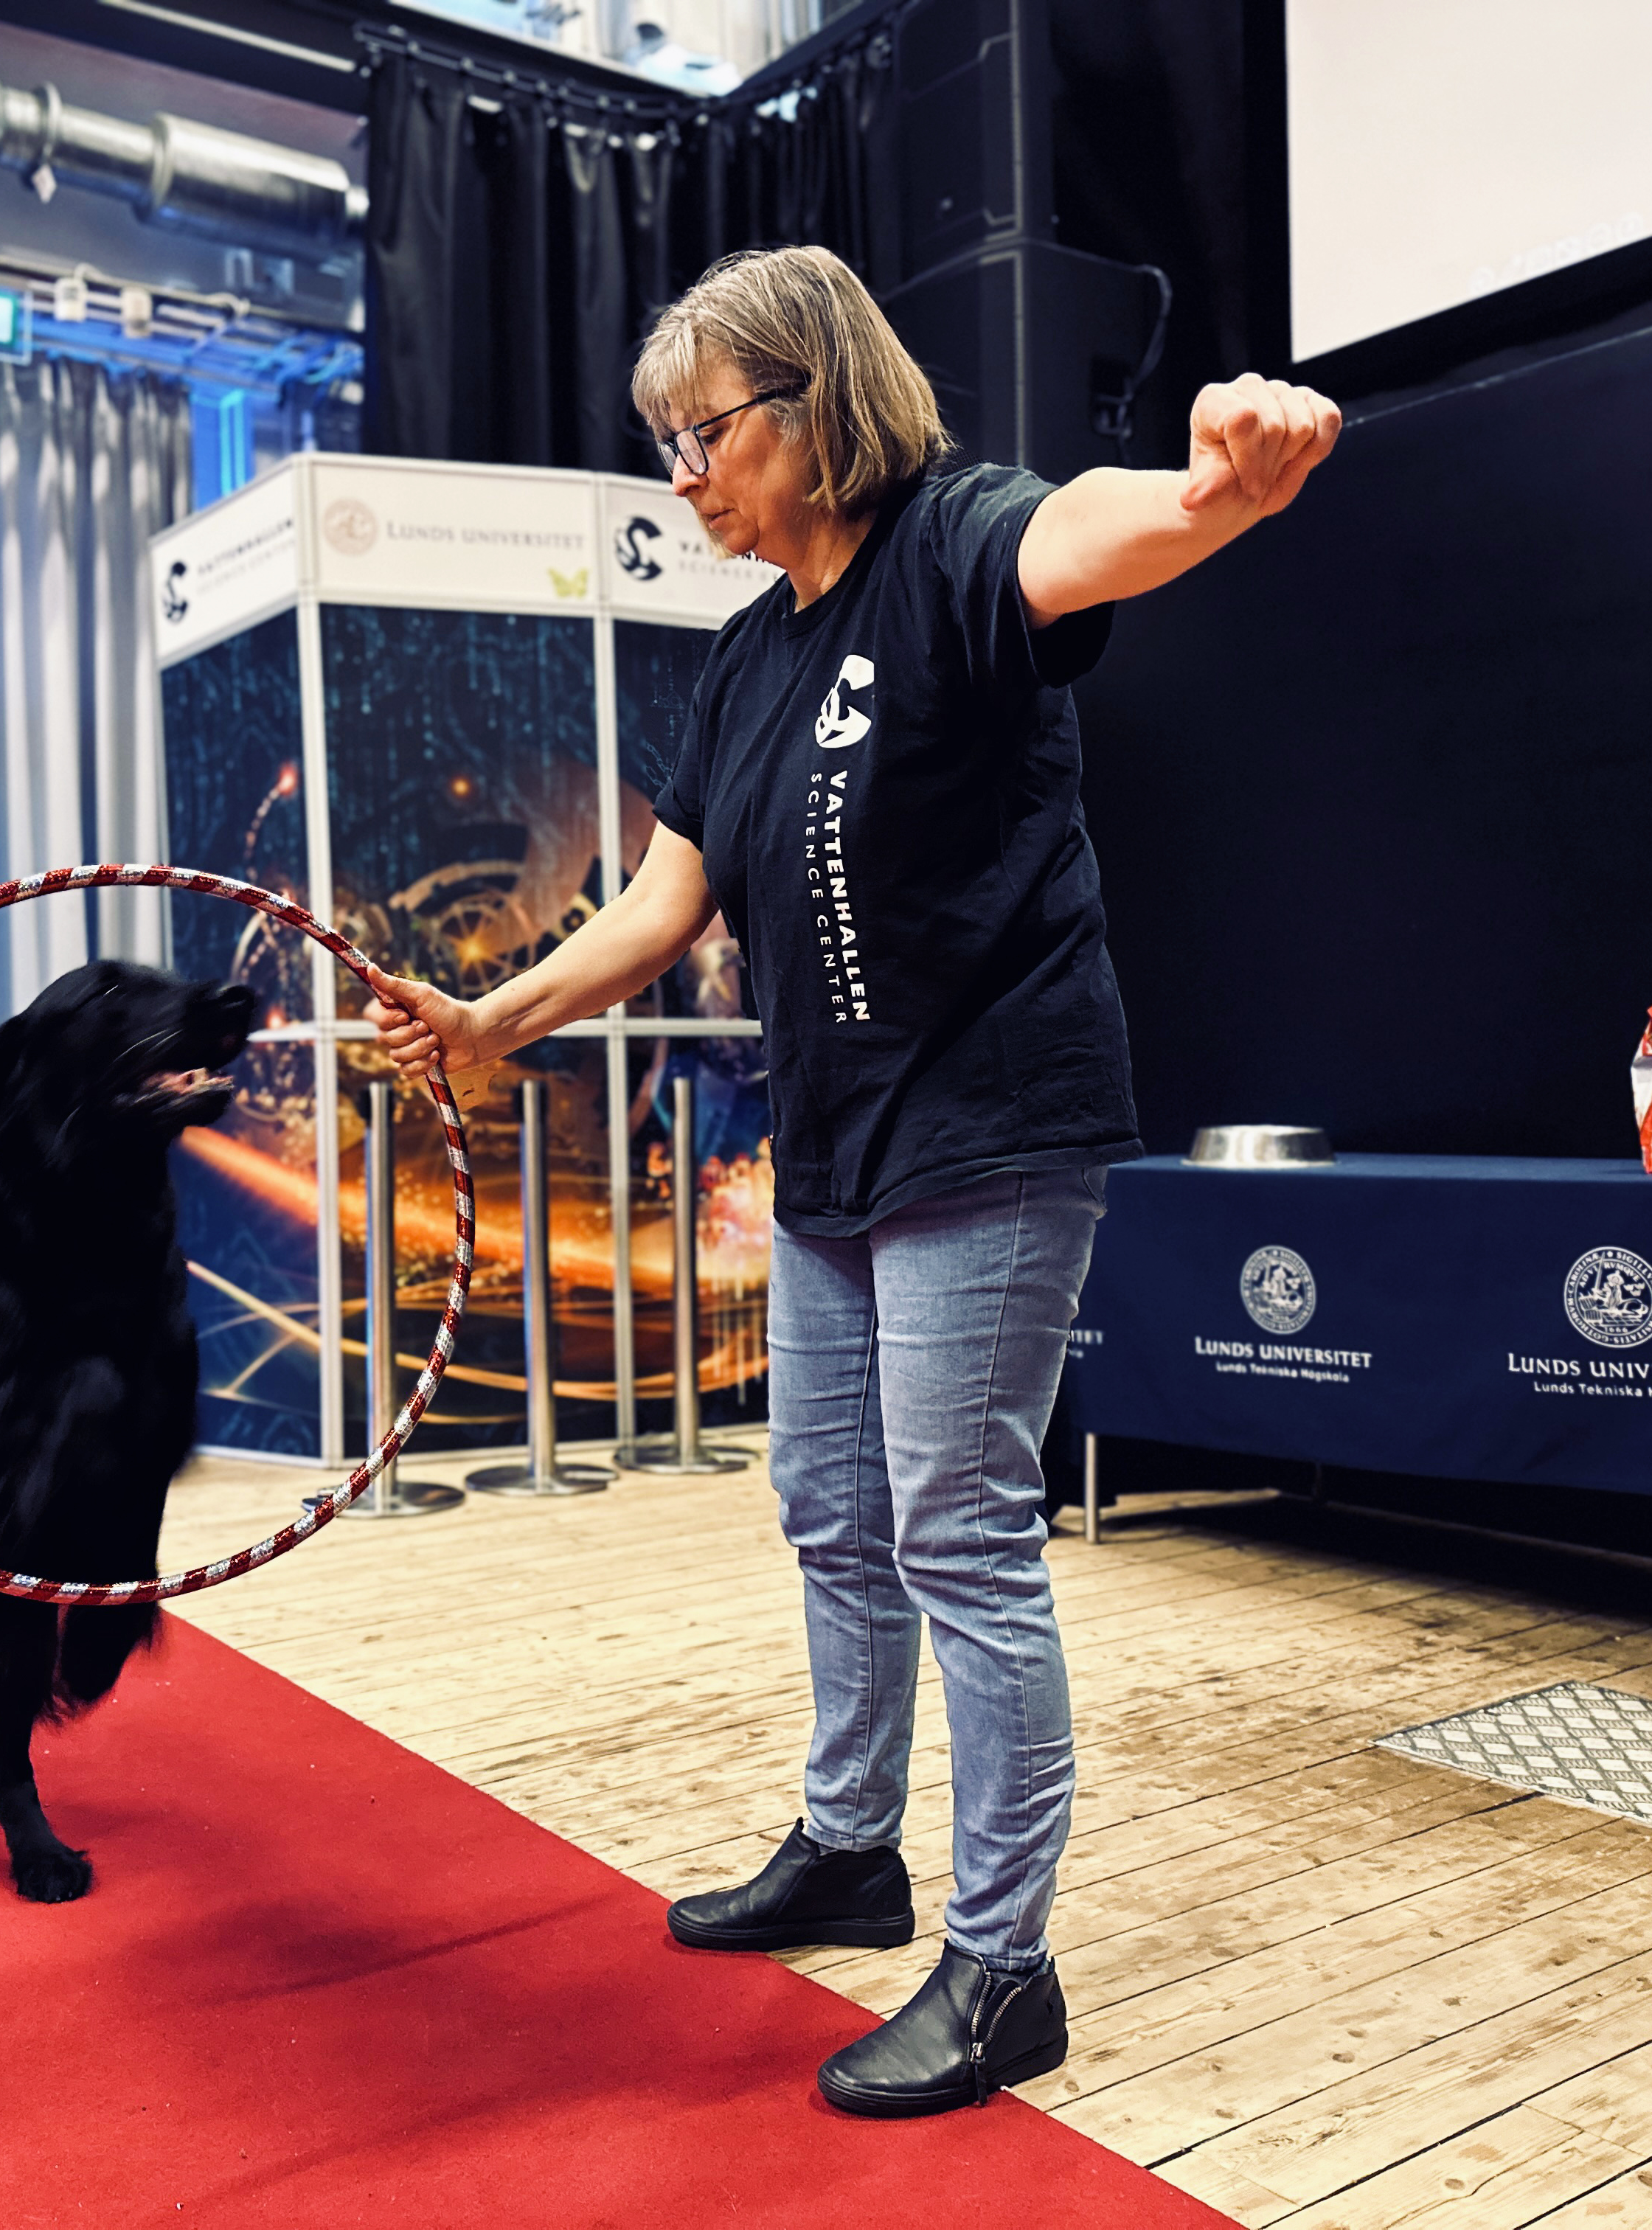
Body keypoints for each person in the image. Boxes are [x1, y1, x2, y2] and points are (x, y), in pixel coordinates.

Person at [367, 245, 1339, 2117]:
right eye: (666, 444)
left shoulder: (959, 542)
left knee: (960, 1533)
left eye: (704, 434)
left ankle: (1004, 1968)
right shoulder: (743, 664)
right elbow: (661, 908)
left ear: (814, 406)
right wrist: (492, 1024)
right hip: (831, 1154)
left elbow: (1101, 537)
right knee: (829, 1507)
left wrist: (1222, 483)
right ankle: (849, 1848)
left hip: (991, 1126)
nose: (682, 479)